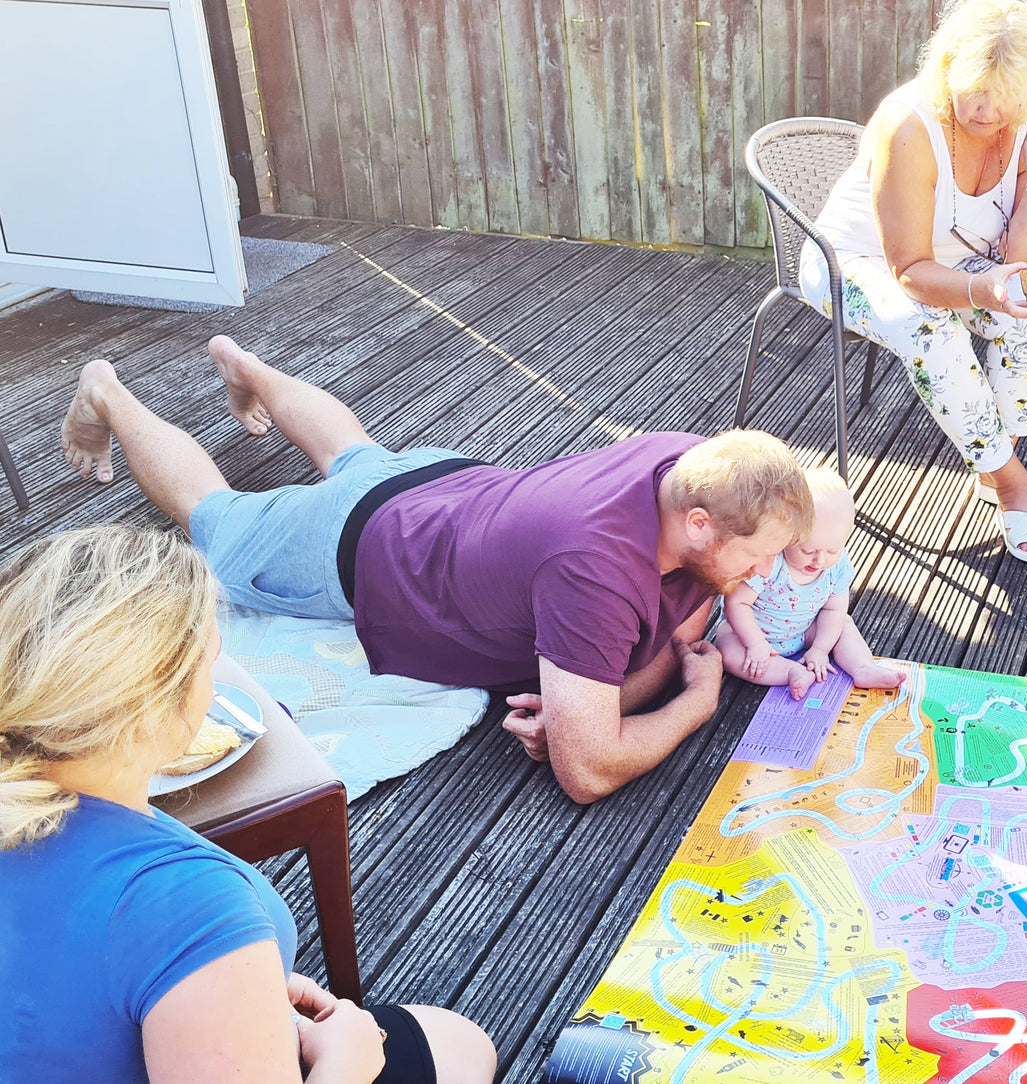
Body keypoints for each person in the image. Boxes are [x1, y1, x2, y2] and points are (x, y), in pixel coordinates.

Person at [59, 338, 813, 804]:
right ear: (699, 522)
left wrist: (605, 698)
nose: (768, 571)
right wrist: (694, 700)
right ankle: (111, 395)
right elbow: (588, 773)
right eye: (757, 553)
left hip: (447, 490)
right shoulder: (594, 571)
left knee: (357, 456)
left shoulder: (691, 462)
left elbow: (647, 653)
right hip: (357, 546)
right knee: (212, 514)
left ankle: (246, 364)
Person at [0, 525, 496, 1084]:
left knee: (451, 1039)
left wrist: (229, 989)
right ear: (148, 712)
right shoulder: (184, 900)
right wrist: (349, 1061)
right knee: (460, 1049)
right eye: (210, 665)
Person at [799, 0, 1027, 566]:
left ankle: (996, 464)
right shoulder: (909, 125)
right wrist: (986, 290)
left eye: (1005, 98)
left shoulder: (1024, 118)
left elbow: (1022, 256)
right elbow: (909, 271)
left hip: (962, 262)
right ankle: (1013, 483)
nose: (986, 108)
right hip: (854, 261)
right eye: (975, 88)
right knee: (925, 326)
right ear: (948, 66)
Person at [715, 468, 906, 700]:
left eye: (833, 550)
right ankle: (791, 672)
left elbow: (833, 609)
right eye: (808, 550)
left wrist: (820, 649)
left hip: (804, 631)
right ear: (787, 536)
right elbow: (737, 604)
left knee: (843, 624)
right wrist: (755, 644)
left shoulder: (836, 566)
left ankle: (863, 668)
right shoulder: (770, 561)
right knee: (727, 648)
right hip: (753, 634)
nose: (820, 559)